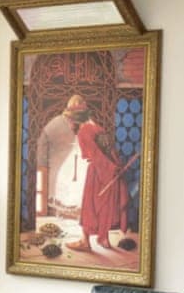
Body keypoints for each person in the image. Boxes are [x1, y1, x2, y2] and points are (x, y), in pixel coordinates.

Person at [66, 117, 130, 252]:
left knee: (90, 205)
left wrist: (110, 168)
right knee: (105, 204)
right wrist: (115, 167)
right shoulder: (99, 128)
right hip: (109, 169)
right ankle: (103, 238)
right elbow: (110, 152)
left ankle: (85, 241)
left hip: (98, 170)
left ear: (75, 118)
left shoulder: (84, 130)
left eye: (69, 120)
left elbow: (94, 154)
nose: (69, 124)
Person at [36, 94, 89, 218]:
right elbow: (41, 158)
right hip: (59, 177)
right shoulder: (54, 126)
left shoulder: (89, 127)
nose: (74, 124)